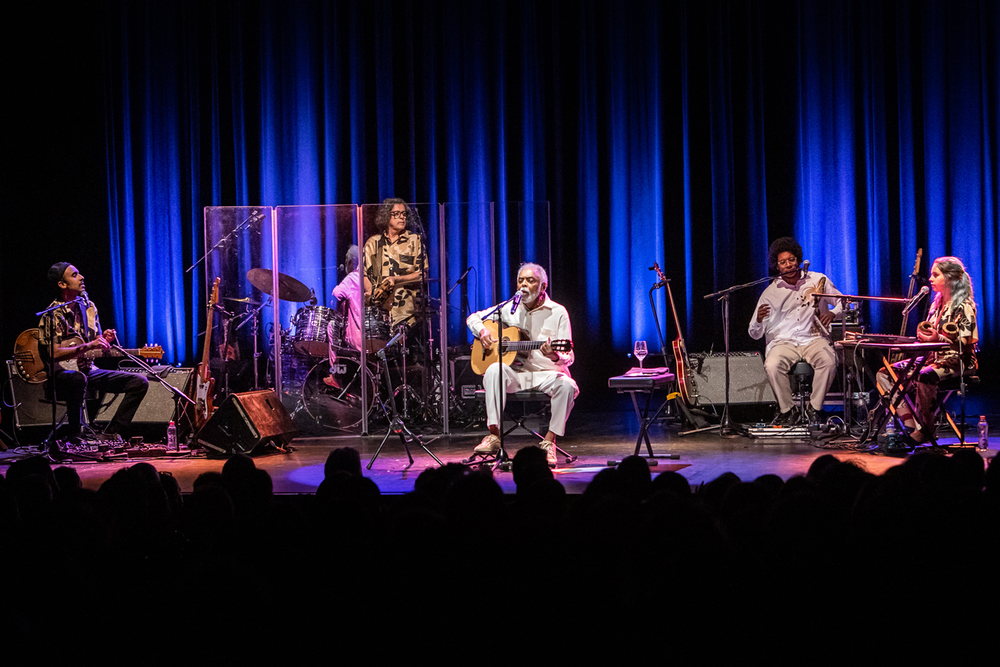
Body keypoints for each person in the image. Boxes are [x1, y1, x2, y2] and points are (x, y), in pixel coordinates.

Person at [466, 263, 578, 466]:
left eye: (530, 280)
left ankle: (548, 442)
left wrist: (554, 355)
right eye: (521, 280)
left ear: (543, 287)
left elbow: (568, 355)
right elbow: (473, 318)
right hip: (517, 374)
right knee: (493, 369)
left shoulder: (558, 312)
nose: (524, 284)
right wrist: (482, 331)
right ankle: (494, 436)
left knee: (567, 386)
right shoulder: (508, 309)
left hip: (548, 374)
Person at [37, 262, 149, 444]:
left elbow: (93, 342)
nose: (81, 277)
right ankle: (75, 436)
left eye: (79, 273)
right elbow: (53, 353)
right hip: (61, 374)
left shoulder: (89, 308)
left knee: (139, 382)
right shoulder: (53, 315)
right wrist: (89, 346)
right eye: (74, 275)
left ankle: (110, 433)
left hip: (89, 370)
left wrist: (103, 338)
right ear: (62, 284)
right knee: (77, 379)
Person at [877, 256, 978, 444]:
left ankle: (927, 429)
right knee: (885, 373)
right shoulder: (935, 304)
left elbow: (965, 343)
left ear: (950, 278)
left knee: (924, 375)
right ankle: (912, 424)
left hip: (960, 360)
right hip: (932, 357)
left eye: (935, 275)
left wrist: (937, 338)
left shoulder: (965, 307)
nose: (930, 279)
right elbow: (929, 335)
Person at [748, 237, 842, 425]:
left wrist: (834, 313)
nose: (789, 265)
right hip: (784, 341)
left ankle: (814, 408)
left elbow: (845, 302)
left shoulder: (818, 280)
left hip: (814, 337)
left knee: (829, 361)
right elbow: (754, 333)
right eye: (783, 262)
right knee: (772, 365)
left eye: (791, 260)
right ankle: (788, 410)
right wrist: (758, 320)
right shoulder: (770, 292)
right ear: (777, 266)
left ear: (798, 260)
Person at [362, 198, 427, 329]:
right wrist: (371, 295)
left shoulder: (414, 241)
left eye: (404, 214)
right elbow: (365, 274)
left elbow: (422, 274)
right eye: (396, 214)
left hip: (408, 315)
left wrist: (396, 279)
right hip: (380, 314)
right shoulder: (373, 243)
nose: (402, 217)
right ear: (386, 216)